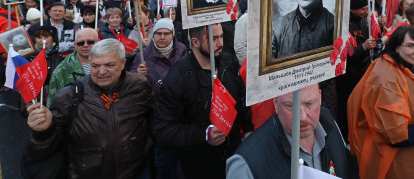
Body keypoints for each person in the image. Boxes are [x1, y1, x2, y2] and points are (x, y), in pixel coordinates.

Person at [26, 39, 155, 178]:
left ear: (123, 63)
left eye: (109, 65)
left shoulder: (139, 85)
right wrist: (43, 133)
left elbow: (154, 123)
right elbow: (43, 151)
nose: (101, 72)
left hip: (137, 171)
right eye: (95, 66)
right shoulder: (70, 95)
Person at [154, 23, 253, 179]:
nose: (220, 43)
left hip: (233, 156)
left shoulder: (228, 62)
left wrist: (248, 128)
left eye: (221, 36)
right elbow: (163, 130)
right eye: (213, 39)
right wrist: (203, 134)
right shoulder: (178, 77)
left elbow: (242, 96)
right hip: (198, 166)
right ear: (195, 42)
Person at [226, 84, 353, 179]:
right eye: (291, 106)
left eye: (309, 104)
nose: (302, 117)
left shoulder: (329, 123)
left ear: (320, 97)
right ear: (275, 103)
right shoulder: (246, 164)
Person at [348, 26, 414, 179]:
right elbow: (395, 135)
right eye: (410, 46)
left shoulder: (401, 65)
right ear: (396, 47)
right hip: (391, 162)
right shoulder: (386, 78)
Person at [131, 18, 187, 179]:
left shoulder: (182, 50)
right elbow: (131, 83)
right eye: (158, 34)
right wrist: (137, 75)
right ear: (153, 35)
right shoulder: (143, 54)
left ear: (173, 35)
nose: (162, 37)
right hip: (156, 114)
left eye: (166, 34)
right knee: (162, 156)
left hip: (180, 112)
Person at [335, 0, 377, 138]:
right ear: (353, 7)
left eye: (367, 8)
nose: (366, 12)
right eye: (363, 9)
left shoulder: (362, 20)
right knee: (345, 109)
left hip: (361, 73)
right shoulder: (343, 23)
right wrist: (363, 47)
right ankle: (343, 136)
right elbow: (345, 54)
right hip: (346, 77)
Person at [47, 28, 99, 106]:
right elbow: (53, 103)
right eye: (80, 43)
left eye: (90, 42)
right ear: (75, 45)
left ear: (98, 42)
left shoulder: (110, 63)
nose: (85, 45)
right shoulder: (62, 70)